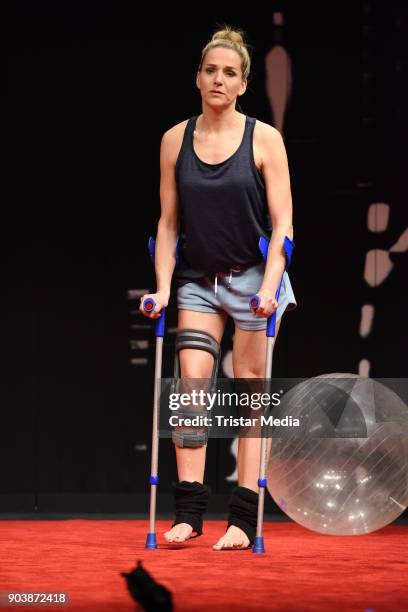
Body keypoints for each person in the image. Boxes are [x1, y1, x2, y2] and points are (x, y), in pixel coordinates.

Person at [140, 26, 297, 550]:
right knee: (191, 393)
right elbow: (167, 224)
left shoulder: (264, 139)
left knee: (252, 396)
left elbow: (284, 226)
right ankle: (188, 514)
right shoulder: (174, 139)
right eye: (211, 70)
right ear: (198, 77)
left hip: (253, 279)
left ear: (244, 84)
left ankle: (241, 519)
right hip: (198, 282)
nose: (219, 79)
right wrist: (162, 288)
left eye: (230, 73)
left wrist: (272, 285)